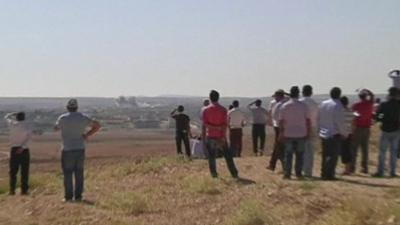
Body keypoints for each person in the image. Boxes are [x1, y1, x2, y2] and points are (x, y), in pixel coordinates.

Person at [54, 99, 101, 202]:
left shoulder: (62, 118)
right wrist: (87, 134)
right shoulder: (82, 117)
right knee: (79, 173)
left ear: (67, 108)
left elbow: (55, 128)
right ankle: (78, 196)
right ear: (77, 107)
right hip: (80, 148)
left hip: (67, 149)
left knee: (67, 173)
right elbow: (97, 125)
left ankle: (68, 197)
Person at [202, 90, 239, 178]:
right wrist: (223, 136)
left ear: (210, 98)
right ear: (218, 98)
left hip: (210, 135)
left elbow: (205, 124)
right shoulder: (223, 110)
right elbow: (225, 124)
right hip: (220, 135)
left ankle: (214, 174)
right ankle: (234, 173)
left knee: (211, 157)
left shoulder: (205, 110)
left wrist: (210, 130)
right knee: (227, 155)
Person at [279, 86, 310, 179]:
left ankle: (287, 173)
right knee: (300, 155)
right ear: (298, 94)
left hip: (288, 133)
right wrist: (308, 132)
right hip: (301, 133)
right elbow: (307, 120)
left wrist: (281, 133)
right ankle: (298, 173)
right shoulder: (304, 106)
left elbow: (281, 121)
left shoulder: (284, 106)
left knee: (288, 155)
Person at [318, 87, 346, 180]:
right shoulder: (338, 105)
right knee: (333, 156)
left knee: (325, 154)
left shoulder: (323, 104)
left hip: (323, 132)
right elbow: (340, 122)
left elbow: (319, 118)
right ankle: (329, 174)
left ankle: (323, 173)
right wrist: (344, 133)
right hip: (334, 133)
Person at [373, 87, 400, 177]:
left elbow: (379, 116)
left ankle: (381, 171)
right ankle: (392, 172)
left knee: (382, 152)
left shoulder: (384, 104)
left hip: (385, 129)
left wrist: (381, 118)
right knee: (394, 152)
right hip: (396, 130)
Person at [5, 112, 32, 195]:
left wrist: (12, 114)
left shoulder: (12, 124)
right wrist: (22, 147)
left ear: (16, 118)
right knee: (24, 171)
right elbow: (29, 138)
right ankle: (24, 190)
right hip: (24, 150)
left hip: (14, 149)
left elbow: (6, 117)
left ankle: (12, 190)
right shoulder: (27, 126)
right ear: (24, 118)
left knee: (13, 171)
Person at [351, 89, 374, 174]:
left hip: (358, 128)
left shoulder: (356, 105)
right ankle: (365, 168)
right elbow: (372, 96)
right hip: (367, 128)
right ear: (366, 96)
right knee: (365, 149)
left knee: (354, 149)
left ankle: (352, 167)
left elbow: (354, 117)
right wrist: (368, 91)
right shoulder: (369, 104)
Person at [300, 85, 319, 178]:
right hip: (312, 126)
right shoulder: (314, 103)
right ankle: (308, 171)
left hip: (300, 128)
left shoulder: (300, 103)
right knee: (310, 151)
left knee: (300, 150)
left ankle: (300, 169)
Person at [267, 89, 287, 171]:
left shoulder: (278, 105)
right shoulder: (286, 102)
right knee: (278, 146)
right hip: (284, 127)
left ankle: (279, 165)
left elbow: (273, 115)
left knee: (279, 146)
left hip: (279, 126)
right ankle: (272, 164)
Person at [340, 96, 355, 175]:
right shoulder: (350, 111)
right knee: (347, 152)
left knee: (342, 152)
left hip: (341, 134)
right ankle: (347, 169)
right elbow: (353, 124)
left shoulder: (340, 112)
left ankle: (346, 170)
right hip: (349, 133)